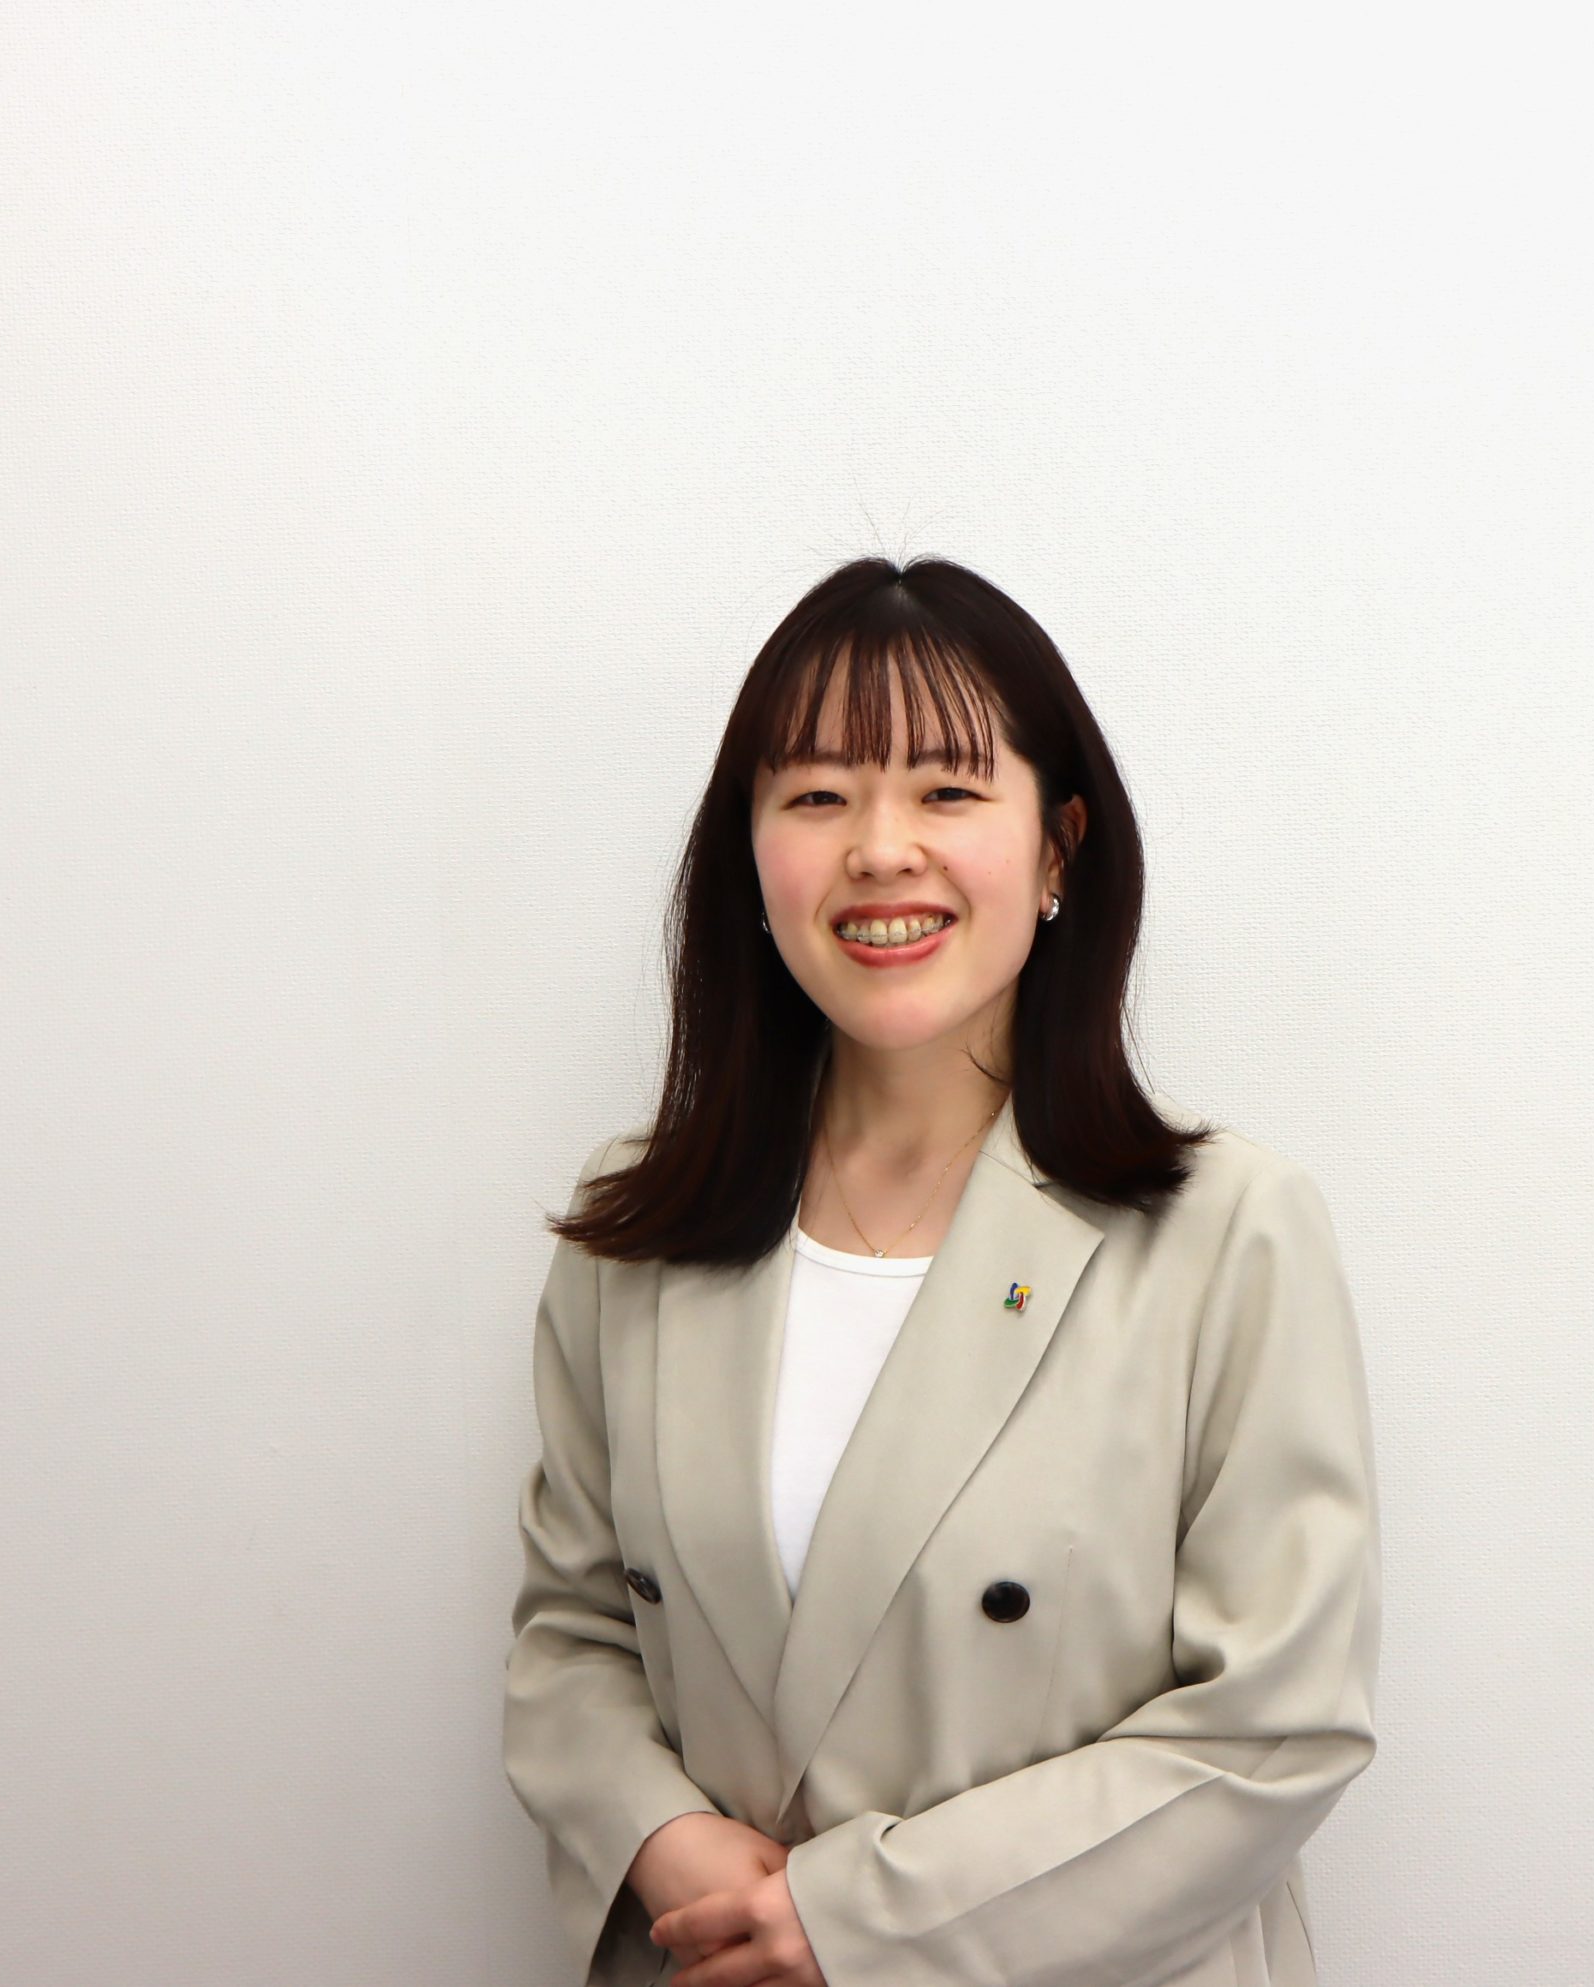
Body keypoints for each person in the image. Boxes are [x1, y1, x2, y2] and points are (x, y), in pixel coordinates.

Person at [503, 555, 1382, 1986]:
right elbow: (572, 1633)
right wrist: (662, 1837)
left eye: (949, 790)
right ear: (752, 855)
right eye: (817, 796)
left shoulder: (1228, 1231)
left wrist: (855, 1922)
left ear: (1057, 850)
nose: (880, 849)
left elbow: (1275, 1728)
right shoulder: (640, 1232)